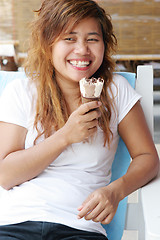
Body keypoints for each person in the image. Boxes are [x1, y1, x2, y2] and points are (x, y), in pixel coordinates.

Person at [0, 0, 159, 239]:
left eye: (92, 39)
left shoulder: (115, 90)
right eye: (69, 38)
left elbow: (148, 158)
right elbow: (5, 175)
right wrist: (66, 136)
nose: (82, 50)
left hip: (80, 227)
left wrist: (115, 191)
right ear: (48, 43)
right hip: (16, 222)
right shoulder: (22, 91)